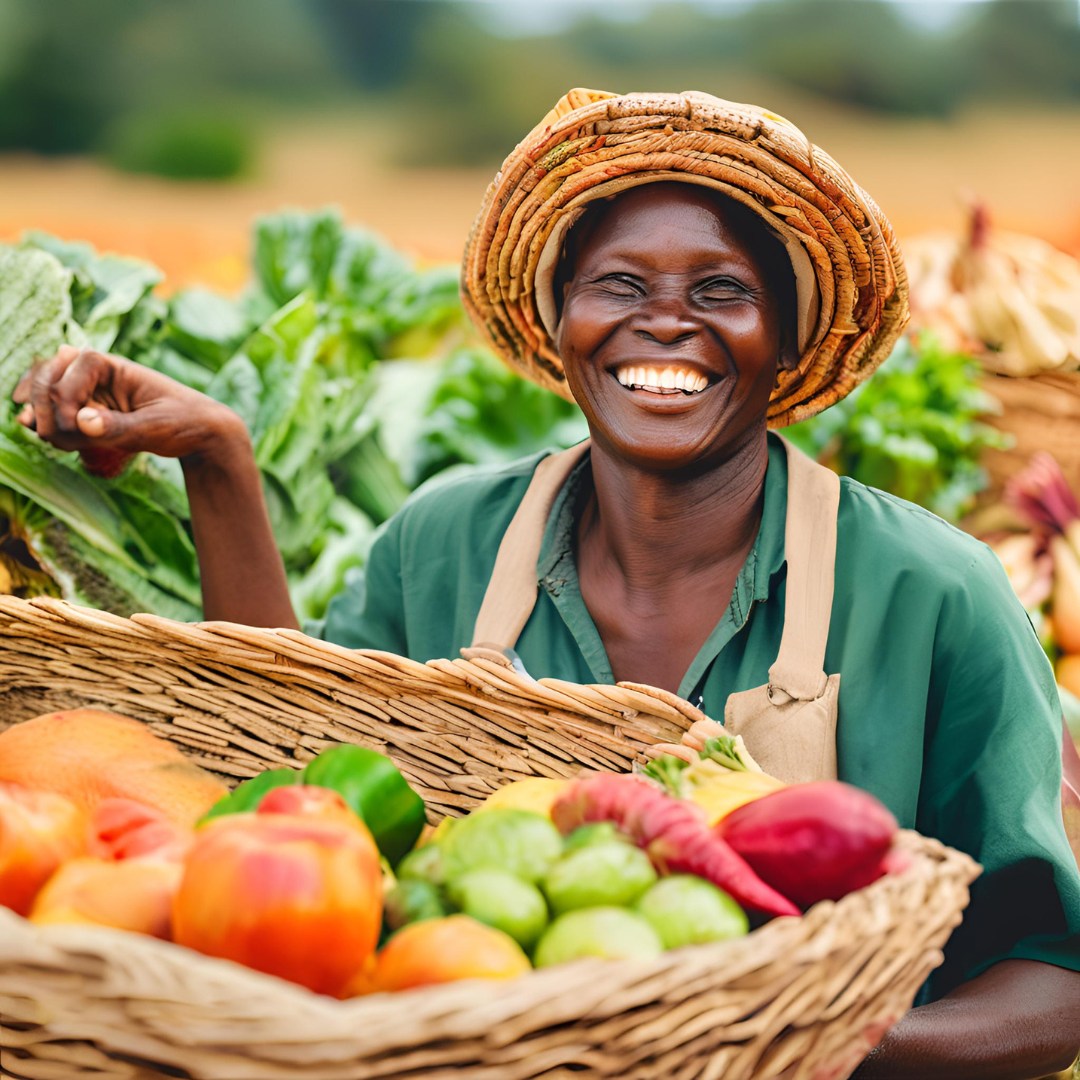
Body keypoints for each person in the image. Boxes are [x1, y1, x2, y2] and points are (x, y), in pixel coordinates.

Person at [15, 89, 1080, 1078]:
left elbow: (1056, 981)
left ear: (786, 337)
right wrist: (219, 459)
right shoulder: (444, 548)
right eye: (617, 284)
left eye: (723, 290)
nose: (665, 321)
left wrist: (813, 1044)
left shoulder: (932, 592)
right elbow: (293, 809)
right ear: (561, 319)